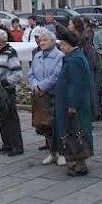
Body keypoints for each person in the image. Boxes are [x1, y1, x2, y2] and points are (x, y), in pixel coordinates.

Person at [55, 30, 94, 176]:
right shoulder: (74, 57)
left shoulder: (74, 60)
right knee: (75, 132)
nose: (62, 47)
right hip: (72, 103)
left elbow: (75, 84)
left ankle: (80, 163)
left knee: (76, 133)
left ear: (71, 45)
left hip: (72, 105)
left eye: (64, 45)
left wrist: (72, 105)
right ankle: (77, 162)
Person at [27, 30, 65, 166]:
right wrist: (35, 87)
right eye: (40, 40)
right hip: (40, 96)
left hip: (54, 95)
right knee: (45, 126)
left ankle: (61, 153)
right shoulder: (37, 55)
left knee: (57, 126)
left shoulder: (59, 56)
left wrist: (41, 87)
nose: (41, 42)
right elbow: (30, 74)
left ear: (52, 42)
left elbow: (56, 76)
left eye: (45, 40)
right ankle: (52, 152)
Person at [0, 29, 24, 156]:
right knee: (2, 119)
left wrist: (5, 82)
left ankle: (17, 146)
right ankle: (7, 144)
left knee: (11, 119)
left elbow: (18, 74)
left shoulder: (10, 53)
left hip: (7, 92)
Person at [69, 16, 99, 119]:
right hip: (77, 67)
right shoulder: (74, 36)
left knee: (88, 91)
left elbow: (89, 53)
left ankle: (91, 114)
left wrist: (87, 67)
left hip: (85, 67)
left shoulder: (85, 36)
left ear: (75, 25)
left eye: (70, 24)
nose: (68, 26)